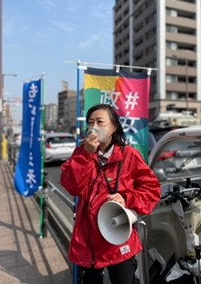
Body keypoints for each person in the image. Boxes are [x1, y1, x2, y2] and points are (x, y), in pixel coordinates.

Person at [60, 104, 161, 284]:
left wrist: (127, 198)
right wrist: (86, 156)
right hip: (88, 241)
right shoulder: (81, 153)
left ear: (113, 127)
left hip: (119, 238)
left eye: (100, 122)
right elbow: (72, 186)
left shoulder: (129, 155)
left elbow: (152, 190)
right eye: (90, 123)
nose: (94, 127)